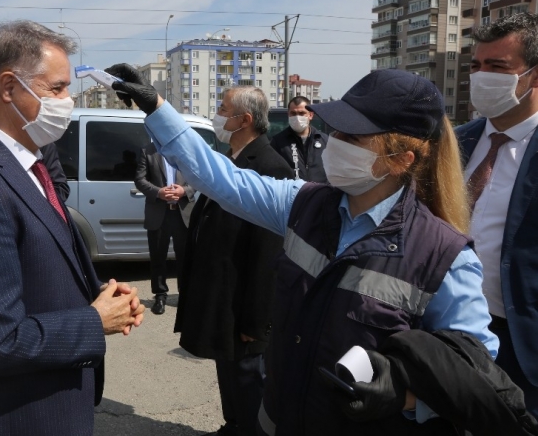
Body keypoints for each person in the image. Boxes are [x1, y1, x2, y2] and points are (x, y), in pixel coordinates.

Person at [106, 64, 498, 434]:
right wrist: (156, 107)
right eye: (337, 131)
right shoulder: (304, 204)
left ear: (400, 159)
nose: (335, 143)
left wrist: (408, 398)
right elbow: (219, 177)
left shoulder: (445, 257)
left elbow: (475, 378)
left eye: (353, 138)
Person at [0, 20, 145, 436]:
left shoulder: (31, 164)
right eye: (56, 88)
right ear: (9, 87)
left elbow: (44, 253)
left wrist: (98, 295)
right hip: (15, 417)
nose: (68, 100)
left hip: (52, 405)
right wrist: (96, 321)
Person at [176, 87, 294, 436]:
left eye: (223, 109)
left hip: (244, 301)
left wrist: (256, 320)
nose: (217, 114)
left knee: (248, 377)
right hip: (223, 293)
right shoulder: (229, 158)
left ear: (244, 119)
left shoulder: (272, 167)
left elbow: (267, 252)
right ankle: (234, 425)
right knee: (226, 368)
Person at [457, 12, 538, 418]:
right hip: (450, 329)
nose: (482, 76)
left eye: (498, 67)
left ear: (534, 77)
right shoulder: (457, 143)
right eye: (477, 66)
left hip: (521, 345)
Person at [134, 141, 194, 314]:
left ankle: (185, 296)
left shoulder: (185, 149)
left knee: (185, 258)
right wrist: (158, 192)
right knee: (158, 257)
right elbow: (140, 179)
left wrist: (184, 190)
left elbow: (198, 178)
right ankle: (160, 295)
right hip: (159, 213)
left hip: (182, 213)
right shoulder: (148, 151)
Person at [270, 96, 328, 182]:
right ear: (288, 114)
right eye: (293, 113)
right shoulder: (278, 142)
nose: (297, 117)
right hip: (292, 194)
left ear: (310, 115)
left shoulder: (324, 140)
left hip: (321, 193)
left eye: (301, 113)